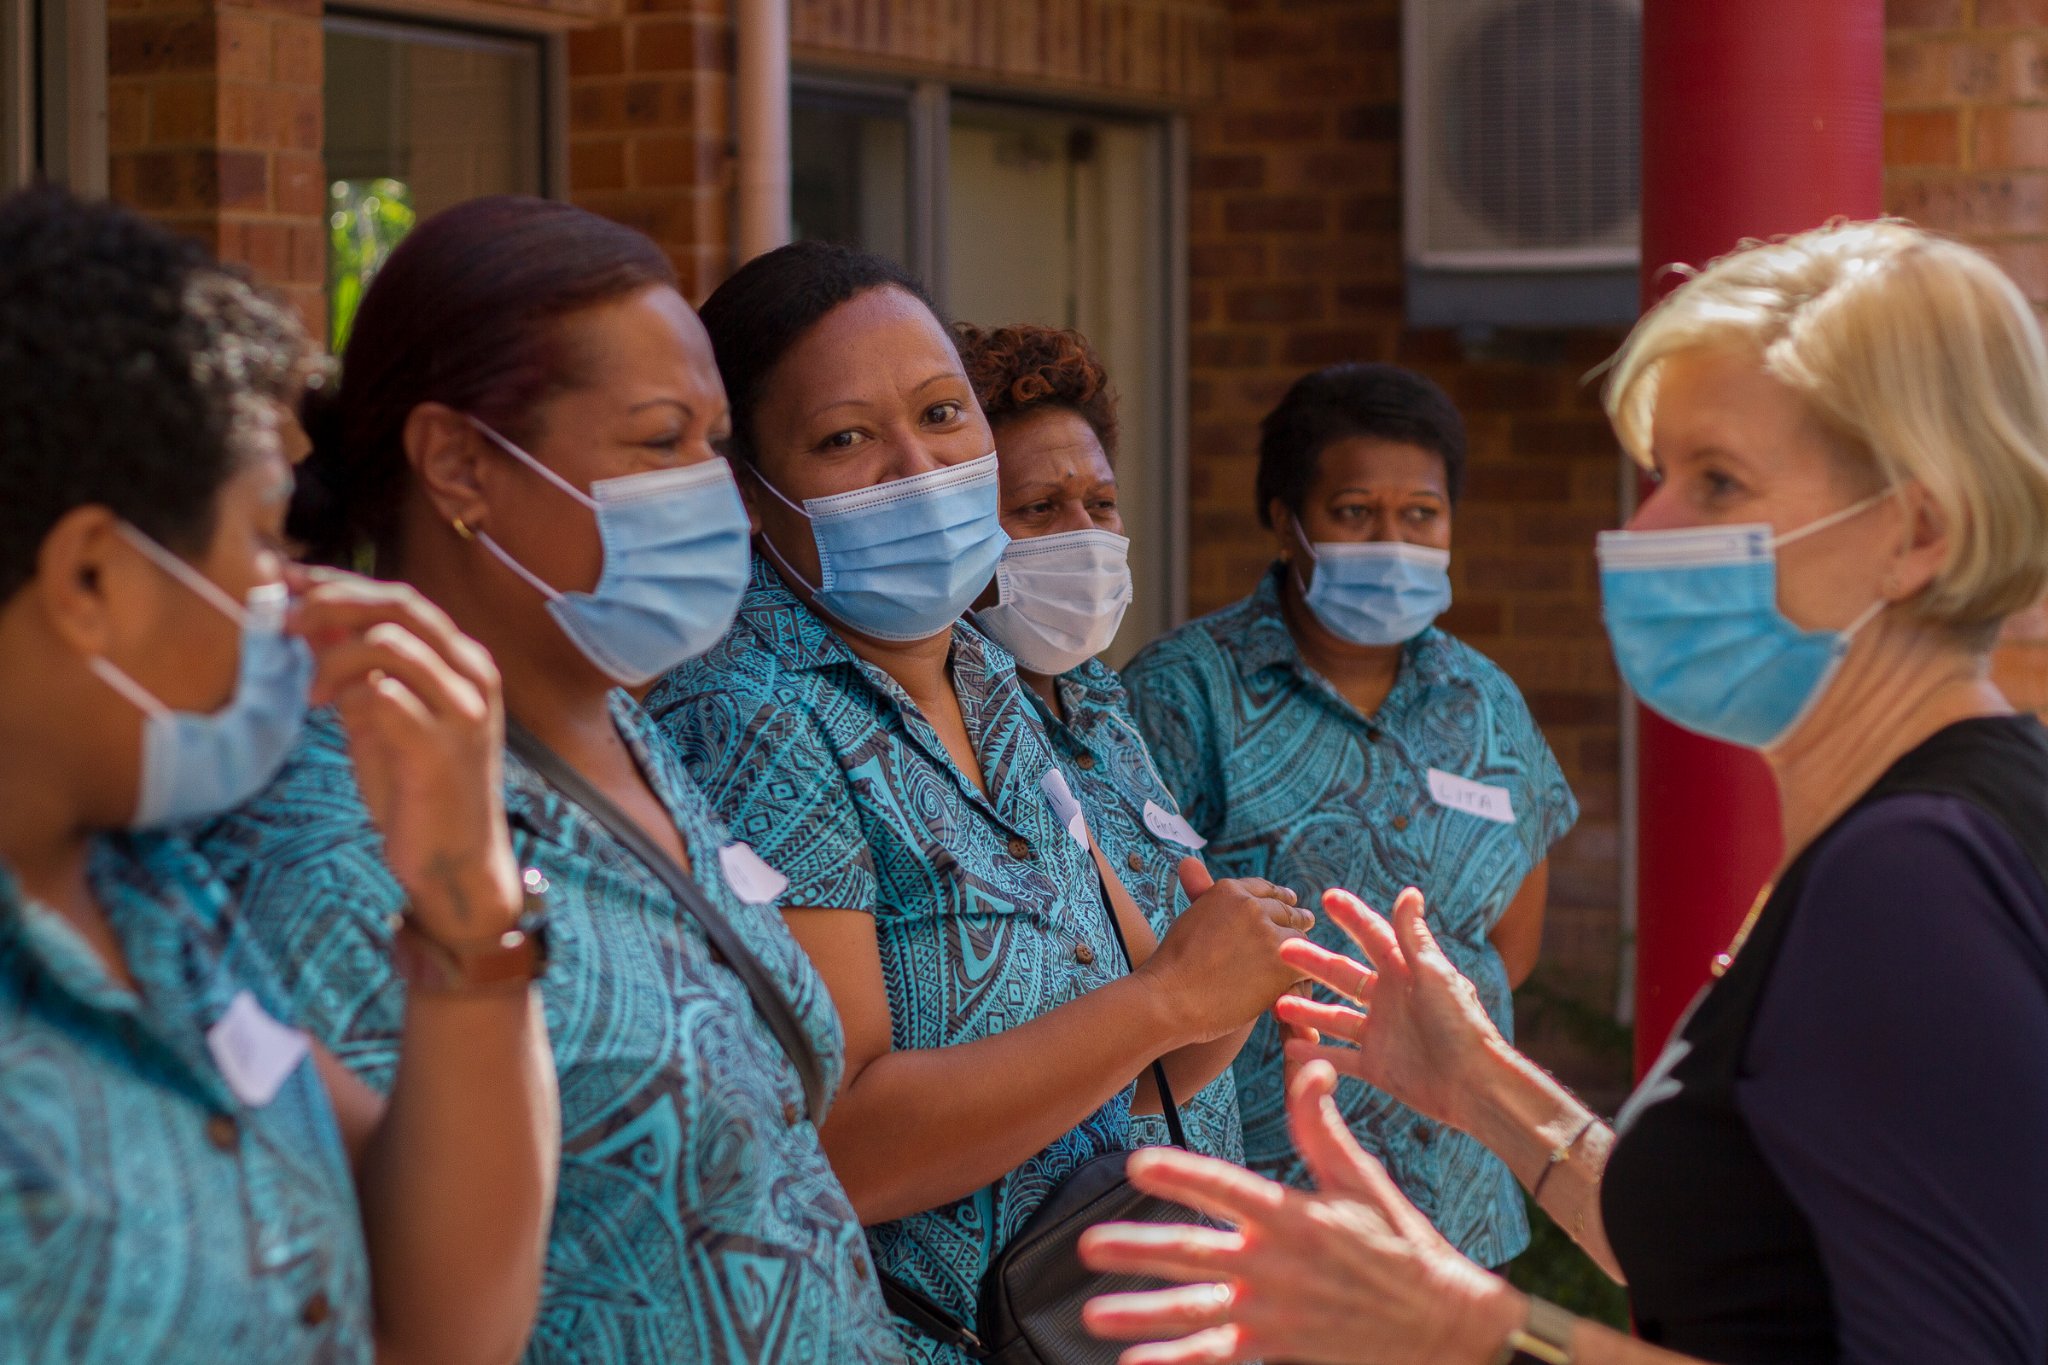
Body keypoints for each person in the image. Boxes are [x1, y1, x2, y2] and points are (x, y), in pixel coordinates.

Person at [1081, 220, 2048, 1365]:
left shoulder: (1912, 869)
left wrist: (1481, 1336)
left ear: (1917, 533)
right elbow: (1752, 1265)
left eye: (1715, 480)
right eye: (1659, 477)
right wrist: (1482, 1087)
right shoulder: (1934, 821)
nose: (1643, 531)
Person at [193, 198, 900, 1363]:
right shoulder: (337, 825)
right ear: (460, 464)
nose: (710, 491)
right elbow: (385, 1294)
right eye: (659, 440)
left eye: (713, 445)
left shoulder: (624, 722)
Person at [645, 240, 1309, 1363]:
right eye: (846, 438)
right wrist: (1166, 1002)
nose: (915, 466)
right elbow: (837, 1146)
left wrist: (1227, 979)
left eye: (943, 415)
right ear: (750, 496)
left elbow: (1144, 1077)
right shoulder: (750, 715)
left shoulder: (980, 670)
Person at [0, 188, 557, 1363]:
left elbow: (442, 1326)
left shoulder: (145, 890)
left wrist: (469, 904)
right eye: (262, 539)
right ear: (92, 578)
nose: (298, 598)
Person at [1121, 362, 1577, 1267]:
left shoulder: (1485, 701)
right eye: (1354, 511)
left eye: (1422, 515)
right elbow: (1128, 939)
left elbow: (1509, 944)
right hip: (1252, 1204)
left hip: (1457, 1201)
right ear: (1285, 518)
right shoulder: (1184, 694)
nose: (1393, 541)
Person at [956, 320, 1245, 1163]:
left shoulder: (1099, 695)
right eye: (1041, 508)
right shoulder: (944, 717)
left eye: (1102, 503)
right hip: (1053, 1244)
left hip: (1187, 1218)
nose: (1084, 532)